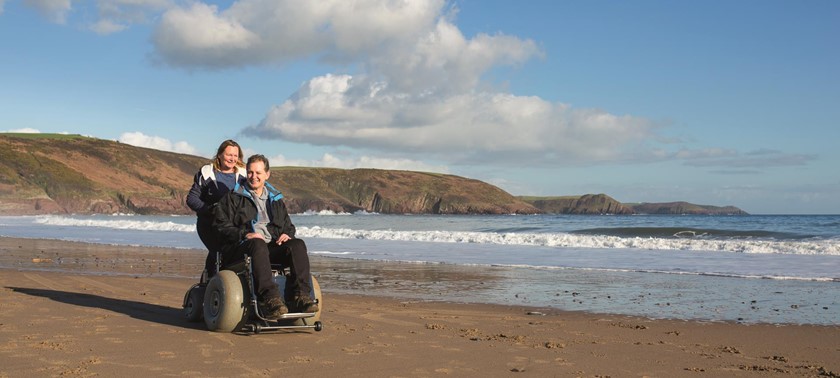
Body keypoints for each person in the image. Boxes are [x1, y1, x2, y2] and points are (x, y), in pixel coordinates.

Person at [213, 154, 318, 319]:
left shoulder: (275, 198)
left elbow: (288, 226)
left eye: (258, 173)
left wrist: (287, 234)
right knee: (257, 243)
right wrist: (245, 234)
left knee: (297, 245)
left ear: (267, 174)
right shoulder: (233, 197)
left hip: (270, 247)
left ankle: (301, 297)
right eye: (250, 172)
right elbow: (220, 226)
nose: (253, 177)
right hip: (241, 247)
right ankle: (270, 299)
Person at [186, 139, 247, 278]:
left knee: (230, 256)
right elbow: (192, 199)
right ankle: (210, 286)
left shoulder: (244, 175)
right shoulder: (207, 173)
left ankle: (210, 283)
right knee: (219, 254)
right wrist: (211, 210)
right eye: (229, 155)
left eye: (235, 155)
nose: (232, 159)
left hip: (234, 226)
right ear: (219, 154)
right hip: (209, 225)